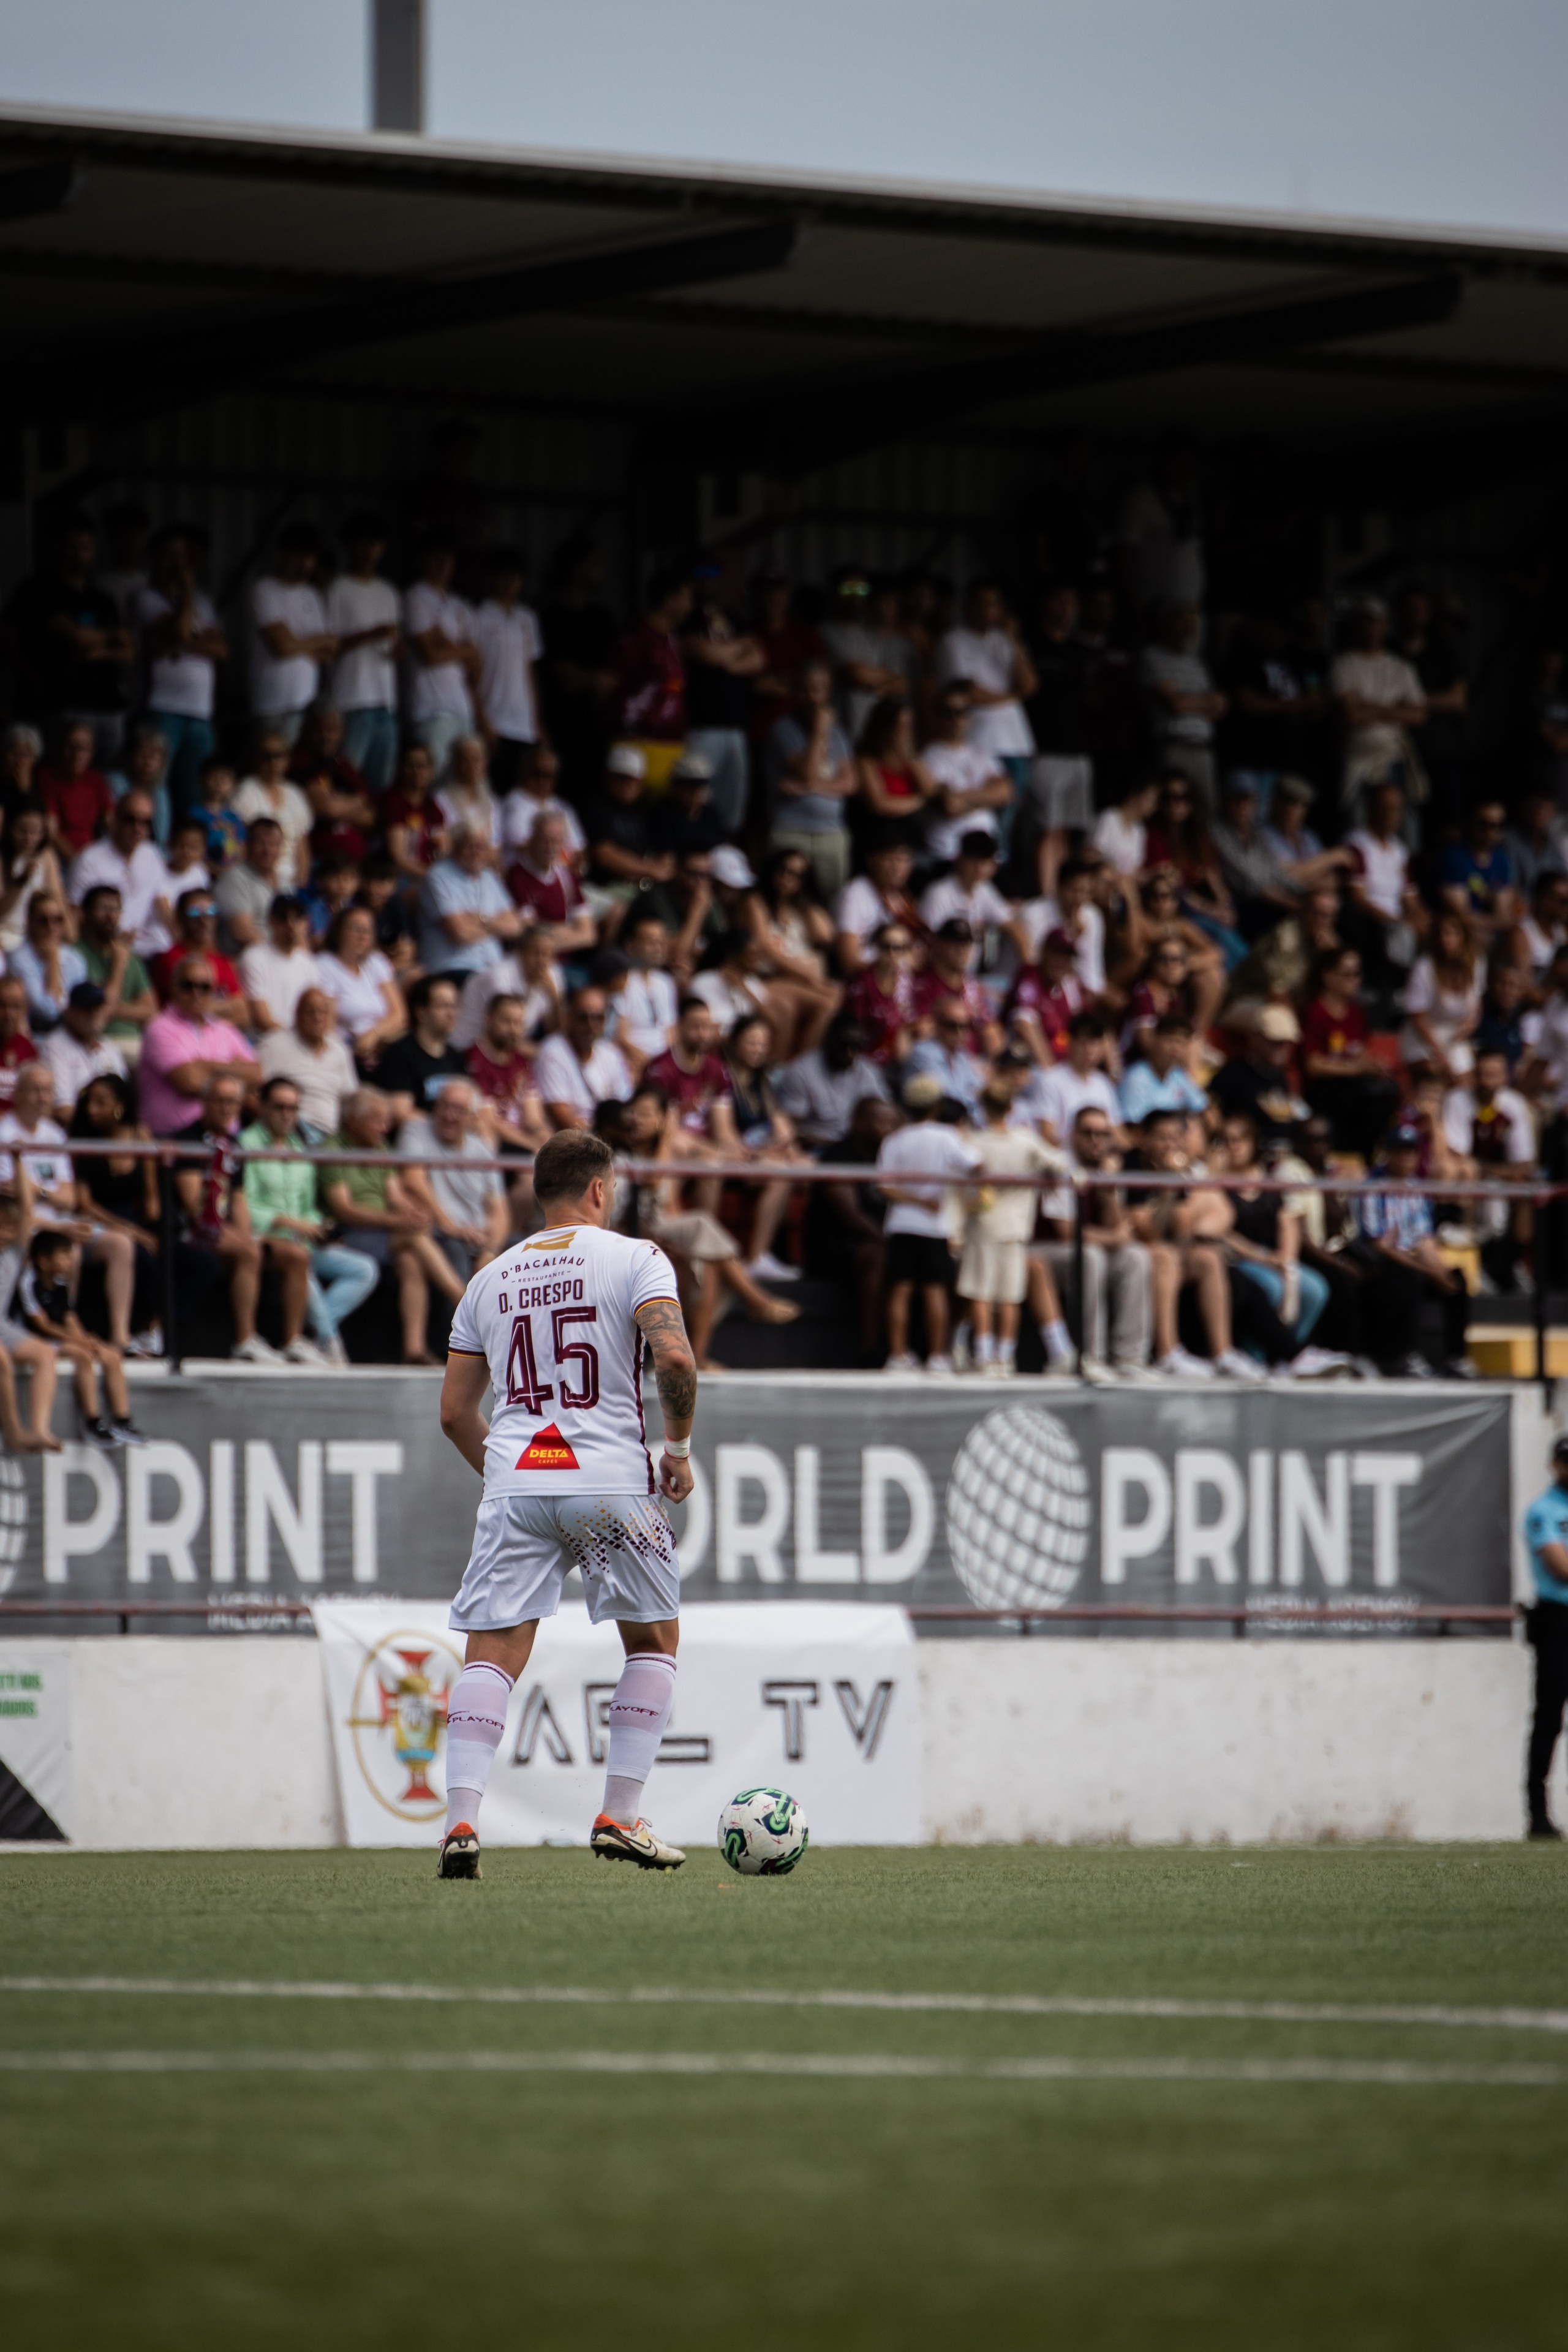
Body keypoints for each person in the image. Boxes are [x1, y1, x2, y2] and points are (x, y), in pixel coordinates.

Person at [435, 1125, 700, 1877]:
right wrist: (676, 1452)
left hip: (519, 1476)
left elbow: (455, 1413)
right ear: (598, 1189)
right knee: (652, 1644)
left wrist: (510, 1476)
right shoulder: (635, 1257)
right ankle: (620, 1815)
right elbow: (674, 1356)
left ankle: (460, 1822)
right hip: (612, 1480)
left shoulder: (489, 1279)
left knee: (491, 1654)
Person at [319, 1087, 451, 1365]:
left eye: (387, 1120)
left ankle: (413, 1350)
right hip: (348, 1234)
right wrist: (400, 1222)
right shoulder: (333, 1149)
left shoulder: (380, 1147)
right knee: (413, 1238)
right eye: (378, 1120)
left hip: (383, 1234)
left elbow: (395, 1196)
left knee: (410, 1261)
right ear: (354, 1120)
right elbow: (345, 1210)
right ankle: (464, 1299)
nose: (386, 1127)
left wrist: (415, 1213)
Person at [957, 1085, 1071, 1376]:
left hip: (983, 1227)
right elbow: (1060, 1163)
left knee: (982, 1293)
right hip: (1013, 1229)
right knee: (1008, 1295)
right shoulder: (1025, 1141)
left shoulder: (975, 1142)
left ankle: (984, 1357)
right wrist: (1044, 1176)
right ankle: (1003, 1358)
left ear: (983, 1108)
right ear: (1011, 1109)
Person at [236, 1076, 347, 1367]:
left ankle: (315, 1336)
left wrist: (315, 1226)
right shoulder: (245, 1144)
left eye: (293, 1109)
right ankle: (323, 1340)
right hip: (264, 1235)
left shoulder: (300, 1149)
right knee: (299, 1259)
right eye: (280, 1107)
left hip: (302, 1238)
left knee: (364, 1269)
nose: (287, 1115)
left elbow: (308, 1207)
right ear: (262, 1107)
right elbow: (244, 1205)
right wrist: (292, 1225)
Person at [1351, 1118, 1472, 1378]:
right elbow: (1380, 1244)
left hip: (1410, 1258)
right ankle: (1406, 1355)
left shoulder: (1418, 1189)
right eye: (1399, 1150)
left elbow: (1424, 1238)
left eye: (1411, 1150)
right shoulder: (1373, 1188)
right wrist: (1427, 1271)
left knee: (1457, 1280)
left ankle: (1456, 1357)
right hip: (1380, 1263)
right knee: (1411, 1280)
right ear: (1388, 1153)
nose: (1406, 1157)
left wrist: (1440, 1271)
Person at [1037, 1102, 1153, 1374]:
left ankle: (1130, 1358)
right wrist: (1113, 1239)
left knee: (1135, 1257)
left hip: (1085, 1246)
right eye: (1088, 1133)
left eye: (1102, 1135)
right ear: (1073, 1135)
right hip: (1045, 1249)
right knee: (1091, 1256)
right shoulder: (1061, 1165)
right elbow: (1066, 1232)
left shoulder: (1108, 1169)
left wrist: (1110, 1188)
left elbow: (1117, 1225)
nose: (1095, 1141)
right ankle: (1091, 1356)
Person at [876, 1071, 979, 1374]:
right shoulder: (947, 1137)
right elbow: (976, 1163)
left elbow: (885, 1185)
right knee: (935, 1291)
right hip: (933, 1227)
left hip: (900, 1225)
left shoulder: (894, 1140)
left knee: (901, 1290)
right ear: (936, 1106)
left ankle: (897, 1355)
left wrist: (916, 1199)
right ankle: (937, 1356)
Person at [10, 1226, 143, 1448]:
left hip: (62, 1339)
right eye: (64, 1257)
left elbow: (70, 1319)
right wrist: (79, 1343)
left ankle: (122, 1420)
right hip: (36, 1339)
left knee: (111, 1355)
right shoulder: (28, 1282)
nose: (70, 1262)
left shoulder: (61, 1286)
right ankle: (92, 1421)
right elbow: (42, 1325)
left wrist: (89, 1340)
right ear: (43, 1260)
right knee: (82, 1356)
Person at [134, 527, 227, 816]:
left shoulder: (204, 602)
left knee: (197, 788)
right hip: (164, 707)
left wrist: (184, 641)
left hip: (200, 711)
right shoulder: (146, 597)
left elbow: (223, 650)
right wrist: (186, 595)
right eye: (170, 554)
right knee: (157, 784)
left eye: (183, 555)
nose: (178, 562)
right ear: (156, 558)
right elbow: (178, 631)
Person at [802, 1092, 899, 1363]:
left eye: (894, 1124)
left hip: (877, 1241)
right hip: (833, 1249)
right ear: (859, 1123)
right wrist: (889, 1242)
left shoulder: (890, 1157)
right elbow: (849, 1215)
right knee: (877, 1256)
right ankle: (870, 1351)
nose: (889, 1131)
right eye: (882, 1123)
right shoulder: (840, 1155)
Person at [398, 1076, 509, 1286]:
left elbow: (499, 1209)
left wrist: (491, 1251)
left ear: (473, 1117)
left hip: (480, 1237)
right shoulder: (416, 1131)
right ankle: (459, 1316)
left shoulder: (482, 1149)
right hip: (440, 1231)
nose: (449, 1116)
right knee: (454, 1251)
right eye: (444, 1107)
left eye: (458, 1110)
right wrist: (451, 1226)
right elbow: (413, 1182)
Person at [766, 658, 856, 899]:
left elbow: (849, 784)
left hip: (831, 832)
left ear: (828, 692)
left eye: (818, 689)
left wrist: (806, 786)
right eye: (805, 689)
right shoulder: (782, 730)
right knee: (784, 899)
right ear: (795, 691)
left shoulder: (838, 734)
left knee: (831, 901)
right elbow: (808, 770)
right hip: (791, 829)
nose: (812, 697)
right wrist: (819, 730)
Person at [137, 956, 257, 1137]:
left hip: (224, 1138)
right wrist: (232, 1069)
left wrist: (203, 1065)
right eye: (188, 985)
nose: (196, 993)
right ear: (173, 987)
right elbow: (189, 1081)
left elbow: (257, 1075)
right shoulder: (159, 1027)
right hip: (172, 1139)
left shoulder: (225, 1029)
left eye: (205, 987)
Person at [325, 513, 402, 794]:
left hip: (385, 701)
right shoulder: (338, 589)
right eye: (363, 544)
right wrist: (371, 635)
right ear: (350, 547)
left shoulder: (389, 592)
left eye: (376, 544)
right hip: (351, 700)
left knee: (381, 785)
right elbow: (328, 647)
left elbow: (392, 644)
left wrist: (398, 651)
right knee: (347, 780)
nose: (370, 551)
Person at [681, 567, 761, 835]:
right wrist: (736, 652)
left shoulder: (733, 618)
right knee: (697, 799)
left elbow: (759, 658)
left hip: (736, 727)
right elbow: (703, 652)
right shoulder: (688, 618)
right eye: (701, 573)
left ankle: (726, 859)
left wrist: (724, 662)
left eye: (714, 573)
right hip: (703, 726)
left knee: (734, 807)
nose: (708, 579)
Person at [1302, 946, 1401, 1156]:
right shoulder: (1315, 1012)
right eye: (1348, 974)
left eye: (1358, 974)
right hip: (1326, 1091)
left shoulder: (1356, 1013)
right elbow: (1314, 1065)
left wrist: (1375, 1066)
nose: (1356, 980)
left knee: (1385, 1097)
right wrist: (1356, 1069)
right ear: (1328, 977)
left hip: (1354, 1088)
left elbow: (1358, 1050)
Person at [1331, 596, 1425, 812]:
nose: (1371, 628)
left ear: (1385, 625)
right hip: (1359, 757)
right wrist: (1396, 709)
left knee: (1401, 824)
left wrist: (1367, 706)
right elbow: (1350, 715)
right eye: (1366, 621)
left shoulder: (1401, 667)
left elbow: (1419, 716)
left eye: (1376, 621)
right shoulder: (1345, 664)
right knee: (1357, 820)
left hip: (1393, 756)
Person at [249, 521, 336, 744]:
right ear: (283, 554)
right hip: (272, 706)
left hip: (307, 705)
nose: (306, 564)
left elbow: (328, 650)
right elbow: (281, 647)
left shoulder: (312, 595)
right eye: (300, 556)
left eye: (310, 558)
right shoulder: (266, 589)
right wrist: (310, 642)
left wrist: (295, 642)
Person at [1521, 1432, 1568, 1840]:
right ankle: (1538, 1813)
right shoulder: (1545, 1511)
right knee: (1549, 1719)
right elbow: (1559, 1565)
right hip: (1559, 1622)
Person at [468, 547, 543, 796]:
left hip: (523, 724)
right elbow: (470, 674)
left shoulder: (527, 618)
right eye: (504, 576)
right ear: (492, 578)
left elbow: (530, 672)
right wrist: (483, 720)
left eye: (516, 577)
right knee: (494, 790)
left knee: (521, 792)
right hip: (494, 720)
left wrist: (536, 720)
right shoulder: (479, 616)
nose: (510, 583)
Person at [404, 533, 478, 778]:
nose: (443, 565)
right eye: (437, 559)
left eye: (448, 559)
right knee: (432, 780)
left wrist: (446, 644)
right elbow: (429, 655)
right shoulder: (416, 596)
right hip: (432, 709)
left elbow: (477, 664)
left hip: (462, 708)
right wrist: (462, 649)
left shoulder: (459, 604)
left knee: (465, 782)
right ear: (424, 561)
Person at [612, 567, 692, 790]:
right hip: (637, 745)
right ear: (670, 600)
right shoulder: (637, 636)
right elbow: (607, 684)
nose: (690, 606)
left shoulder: (672, 640)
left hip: (671, 747)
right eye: (686, 598)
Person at [1139, 601, 1225, 805]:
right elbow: (1175, 704)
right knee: (1171, 808)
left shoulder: (1197, 662)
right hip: (1174, 747)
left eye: (1193, 622)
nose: (1189, 628)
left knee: (1206, 814)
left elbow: (1220, 707)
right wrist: (1203, 703)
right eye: (1182, 621)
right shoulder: (1153, 656)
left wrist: (1188, 701)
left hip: (1203, 748)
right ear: (1168, 623)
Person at [918, 679, 1012, 866]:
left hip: (987, 855)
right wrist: (986, 797)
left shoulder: (982, 753)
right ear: (937, 716)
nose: (955, 719)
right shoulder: (927, 757)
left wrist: (963, 798)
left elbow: (1006, 794)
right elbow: (950, 805)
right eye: (948, 712)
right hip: (948, 853)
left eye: (961, 712)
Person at [419, 823, 523, 980]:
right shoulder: (438, 876)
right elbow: (460, 934)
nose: (476, 853)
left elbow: (515, 928)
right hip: (452, 967)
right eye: (469, 846)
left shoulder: (489, 877)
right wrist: (496, 924)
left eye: (481, 847)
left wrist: (481, 919)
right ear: (456, 847)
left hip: (492, 967)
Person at [775, 1013, 890, 1148]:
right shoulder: (801, 1072)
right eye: (843, 1045)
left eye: (855, 1047)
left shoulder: (869, 1071)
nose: (849, 1053)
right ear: (828, 1039)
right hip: (817, 1149)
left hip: (859, 1147)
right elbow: (790, 1126)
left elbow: (883, 1111)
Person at [258, 984, 358, 1139]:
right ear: (297, 1014)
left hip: (332, 1135)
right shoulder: (274, 1045)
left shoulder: (340, 1050)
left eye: (323, 1012)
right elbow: (259, 1095)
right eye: (311, 1011)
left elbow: (350, 1098)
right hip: (291, 1133)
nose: (317, 1018)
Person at [316, 903, 406, 1069]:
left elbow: (399, 1014)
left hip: (383, 1043)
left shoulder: (377, 961)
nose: (364, 936)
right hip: (349, 1049)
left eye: (368, 930)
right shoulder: (324, 965)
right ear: (339, 932)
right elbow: (328, 1023)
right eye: (357, 929)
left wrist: (373, 1035)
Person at [533, 987, 634, 1129]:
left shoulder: (611, 1054)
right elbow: (561, 1115)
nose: (591, 1024)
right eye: (583, 1017)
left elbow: (624, 1105)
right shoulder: (553, 1052)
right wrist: (599, 1142)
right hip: (573, 1141)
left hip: (607, 1137)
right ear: (569, 1016)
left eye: (598, 1018)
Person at [466, 992, 551, 1156]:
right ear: (488, 1019)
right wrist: (532, 1145)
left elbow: (533, 1117)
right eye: (506, 1021)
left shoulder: (521, 1061)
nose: (513, 1029)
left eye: (518, 1023)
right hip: (493, 1143)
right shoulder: (474, 1059)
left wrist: (543, 1135)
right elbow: (490, 1121)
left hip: (524, 1141)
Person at [149, 888, 246, 1022]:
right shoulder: (171, 959)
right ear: (181, 918)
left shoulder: (222, 961)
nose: (204, 920)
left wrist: (209, 1010)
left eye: (211, 912)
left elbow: (244, 1014)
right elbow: (189, 1010)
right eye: (194, 913)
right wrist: (228, 1007)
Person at [40, 981, 126, 1118]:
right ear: (70, 1011)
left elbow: (123, 1101)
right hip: (74, 1136)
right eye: (87, 1009)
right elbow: (63, 1111)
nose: (93, 1014)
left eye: (98, 1008)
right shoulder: (55, 1046)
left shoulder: (111, 1049)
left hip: (109, 1132)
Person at [241, 893, 322, 1036]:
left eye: (297, 918)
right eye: (283, 918)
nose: (291, 925)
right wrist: (296, 1043)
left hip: (303, 1043)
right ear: (271, 922)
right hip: (267, 1042)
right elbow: (262, 1019)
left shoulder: (309, 963)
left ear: (306, 923)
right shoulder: (254, 957)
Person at [10, 894, 88, 1035]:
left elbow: (81, 1008)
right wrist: (53, 960)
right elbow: (48, 1012)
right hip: (36, 1035)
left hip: (70, 1035)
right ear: (30, 923)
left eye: (58, 920)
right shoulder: (19, 958)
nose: (51, 927)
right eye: (43, 921)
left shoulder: (75, 958)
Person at [39, 722, 115, 862]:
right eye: (71, 747)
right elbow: (52, 831)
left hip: (92, 854)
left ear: (91, 753)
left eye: (83, 749)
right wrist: (77, 861)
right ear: (61, 749)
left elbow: (111, 821)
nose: (76, 755)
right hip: (61, 857)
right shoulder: (48, 778)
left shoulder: (96, 780)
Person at [0, 799, 66, 957]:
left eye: (35, 832)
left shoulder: (46, 856)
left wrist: (69, 934)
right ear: (9, 828)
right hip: (6, 934)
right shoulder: (2, 859)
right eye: (22, 831)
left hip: (38, 936)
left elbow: (57, 897)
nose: (29, 839)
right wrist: (21, 882)